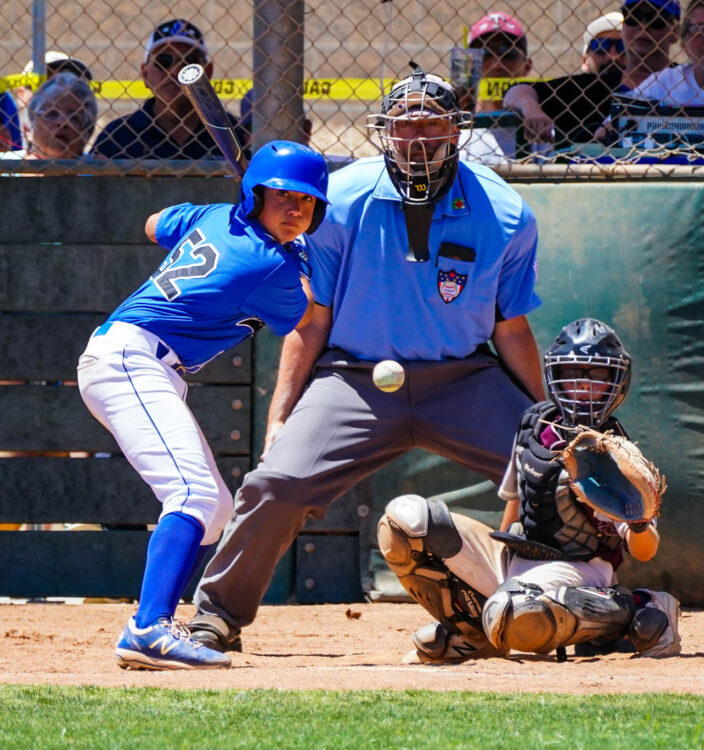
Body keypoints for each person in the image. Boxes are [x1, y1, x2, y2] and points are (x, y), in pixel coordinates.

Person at [187, 63, 545, 654]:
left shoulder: (506, 212)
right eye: (404, 127)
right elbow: (313, 319)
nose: (418, 139)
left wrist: (544, 417)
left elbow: (510, 329)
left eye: (432, 126)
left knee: (554, 476)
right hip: (354, 380)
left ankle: (561, 604)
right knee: (277, 483)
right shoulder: (342, 199)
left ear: (457, 131)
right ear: (384, 132)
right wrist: (281, 416)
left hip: (464, 378)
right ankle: (217, 616)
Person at [77, 140, 330, 670]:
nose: (295, 210)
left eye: (305, 202)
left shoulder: (213, 216)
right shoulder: (268, 266)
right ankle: (148, 628)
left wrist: (228, 216)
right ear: (256, 194)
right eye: (281, 197)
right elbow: (304, 316)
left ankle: (156, 623)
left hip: (142, 361)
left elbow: (153, 223)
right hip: (132, 359)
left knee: (212, 510)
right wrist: (292, 256)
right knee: (191, 493)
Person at [378, 318, 682, 662]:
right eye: (572, 373)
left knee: (515, 611)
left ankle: (641, 608)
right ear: (555, 376)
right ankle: (473, 633)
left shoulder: (617, 453)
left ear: (616, 382)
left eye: (596, 376)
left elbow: (643, 551)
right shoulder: (536, 425)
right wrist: (490, 559)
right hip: (517, 557)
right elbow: (515, 501)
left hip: (577, 569)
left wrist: (640, 522)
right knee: (405, 523)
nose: (582, 386)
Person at [504, 0, 680, 149]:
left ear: (675, 32)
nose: (643, 26)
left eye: (655, 19)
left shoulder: (688, 81)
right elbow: (516, 91)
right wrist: (532, 110)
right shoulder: (593, 88)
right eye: (633, 17)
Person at [91, 19, 247, 160]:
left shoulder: (234, 134)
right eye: (163, 61)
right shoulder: (117, 136)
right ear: (145, 74)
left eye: (189, 61)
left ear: (208, 72)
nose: (175, 71)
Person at [459, 12, 533, 162]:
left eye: (509, 52)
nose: (497, 64)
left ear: (527, 67)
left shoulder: (539, 127)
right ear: (469, 66)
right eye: (484, 53)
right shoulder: (453, 132)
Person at [0, 72, 97, 160]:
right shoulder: (6, 167)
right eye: (51, 114)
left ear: (86, 135)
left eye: (75, 118)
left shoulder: (98, 173)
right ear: (27, 129)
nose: (63, 122)